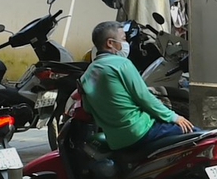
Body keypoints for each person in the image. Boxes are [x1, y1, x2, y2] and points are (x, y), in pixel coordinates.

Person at [80, 21, 192, 161]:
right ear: (110, 43)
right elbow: (144, 98)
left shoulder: (87, 74)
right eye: (123, 39)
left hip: (116, 141)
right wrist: (174, 117)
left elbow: (88, 108)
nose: (125, 43)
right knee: (197, 135)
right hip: (140, 131)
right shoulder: (122, 64)